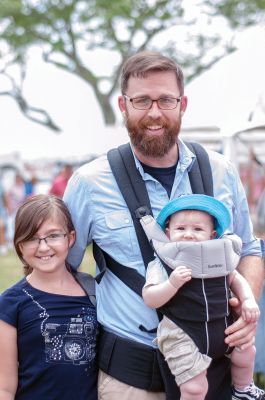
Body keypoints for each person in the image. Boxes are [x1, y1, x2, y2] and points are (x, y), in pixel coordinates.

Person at [63, 51, 263, 400]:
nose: (154, 112)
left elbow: (248, 248)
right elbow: (63, 269)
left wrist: (246, 312)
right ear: (123, 106)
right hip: (131, 378)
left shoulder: (221, 171)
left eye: (166, 100)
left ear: (182, 104)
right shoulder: (89, 183)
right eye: (141, 100)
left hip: (214, 372)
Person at [142, 194, 264, 400]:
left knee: (246, 353)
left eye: (198, 229)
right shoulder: (163, 262)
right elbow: (150, 297)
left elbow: (235, 279)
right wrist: (172, 283)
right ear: (167, 232)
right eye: (181, 229)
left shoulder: (219, 256)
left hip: (222, 326)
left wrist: (249, 300)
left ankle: (243, 389)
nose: (188, 235)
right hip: (183, 332)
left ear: (212, 234)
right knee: (195, 387)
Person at [0, 194, 98, 400]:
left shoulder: (95, 291)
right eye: (32, 238)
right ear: (20, 246)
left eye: (53, 236)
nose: (43, 247)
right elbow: (4, 387)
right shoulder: (10, 303)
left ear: (70, 238)